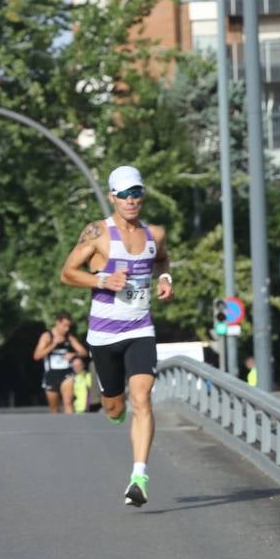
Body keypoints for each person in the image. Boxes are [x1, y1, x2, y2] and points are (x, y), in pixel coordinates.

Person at [59, 165, 174, 506]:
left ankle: (139, 476)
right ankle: (113, 405)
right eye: (124, 194)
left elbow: (163, 262)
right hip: (103, 335)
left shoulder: (156, 233)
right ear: (112, 197)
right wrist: (101, 281)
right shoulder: (97, 233)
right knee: (114, 407)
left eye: (136, 193)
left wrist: (166, 279)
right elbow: (67, 273)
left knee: (143, 397)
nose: (131, 200)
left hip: (140, 329)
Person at [33, 310, 87, 413]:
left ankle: (72, 427)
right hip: (51, 375)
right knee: (54, 408)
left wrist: (73, 354)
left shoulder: (68, 337)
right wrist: (53, 345)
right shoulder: (47, 336)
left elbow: (83, 352)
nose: (66, 329)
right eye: (64, 326)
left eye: (68, 326)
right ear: (57, 323)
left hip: (66, 373)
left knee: (68, 402)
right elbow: (36, 356)